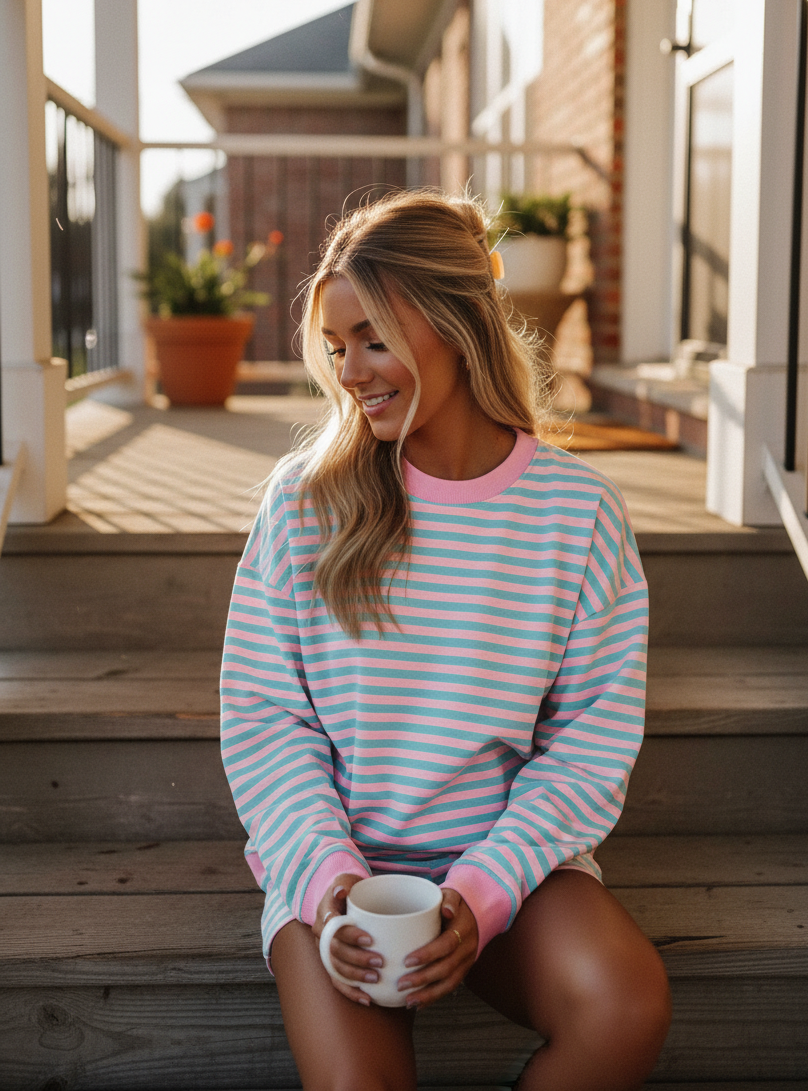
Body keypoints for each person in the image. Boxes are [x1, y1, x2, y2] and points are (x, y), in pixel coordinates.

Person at [220, 190, 671, 1091]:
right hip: (338, 876)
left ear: (457, 324)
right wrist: (328, 881)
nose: (349, 372)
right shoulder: (306, 501)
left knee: (625, 1006)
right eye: (338, 345)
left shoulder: (575, 514)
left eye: (373, 339)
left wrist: (483, 891)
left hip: (510, 870)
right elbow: (267, 718)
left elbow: (589, 741)